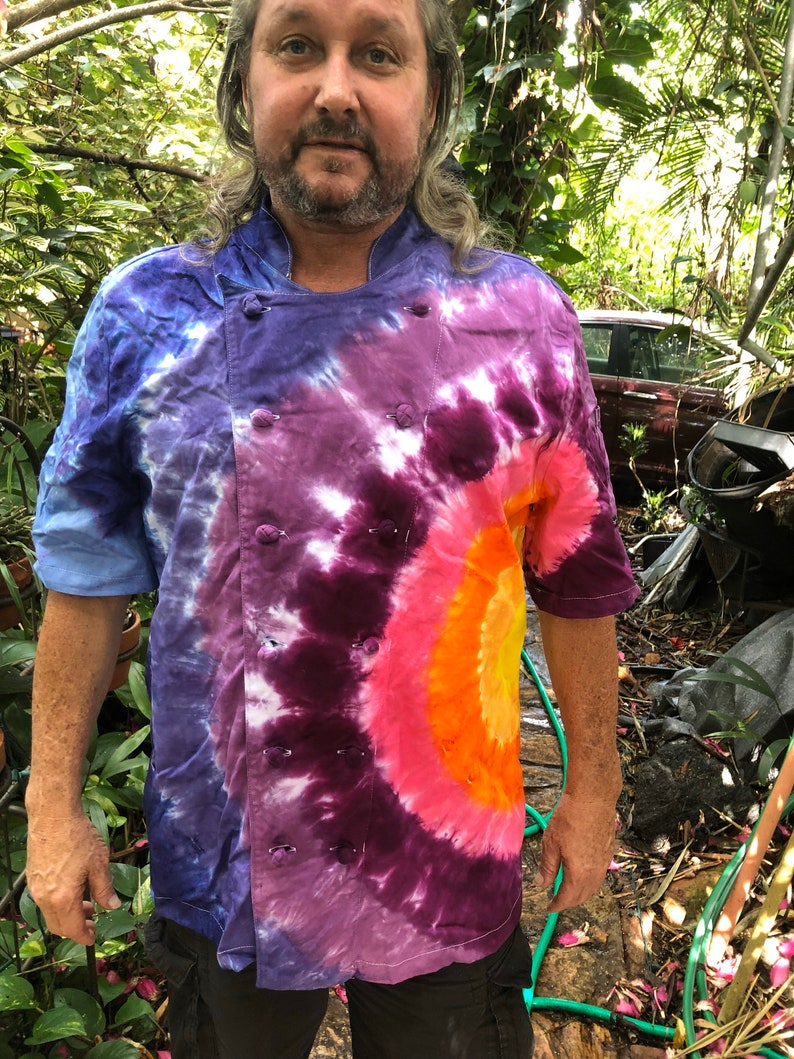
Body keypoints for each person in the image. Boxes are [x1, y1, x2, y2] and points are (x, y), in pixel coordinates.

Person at [25, 0, 639, 1055]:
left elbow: (577, 580)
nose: (337, 89)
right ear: (243, 82)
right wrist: (52, 807)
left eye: (379, 54)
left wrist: (592, 789)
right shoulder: (145, 316)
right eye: (299, 46)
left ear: (434, 101)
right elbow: (84, 581)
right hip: (227, 847)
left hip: (443, 848)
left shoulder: (521, 322)